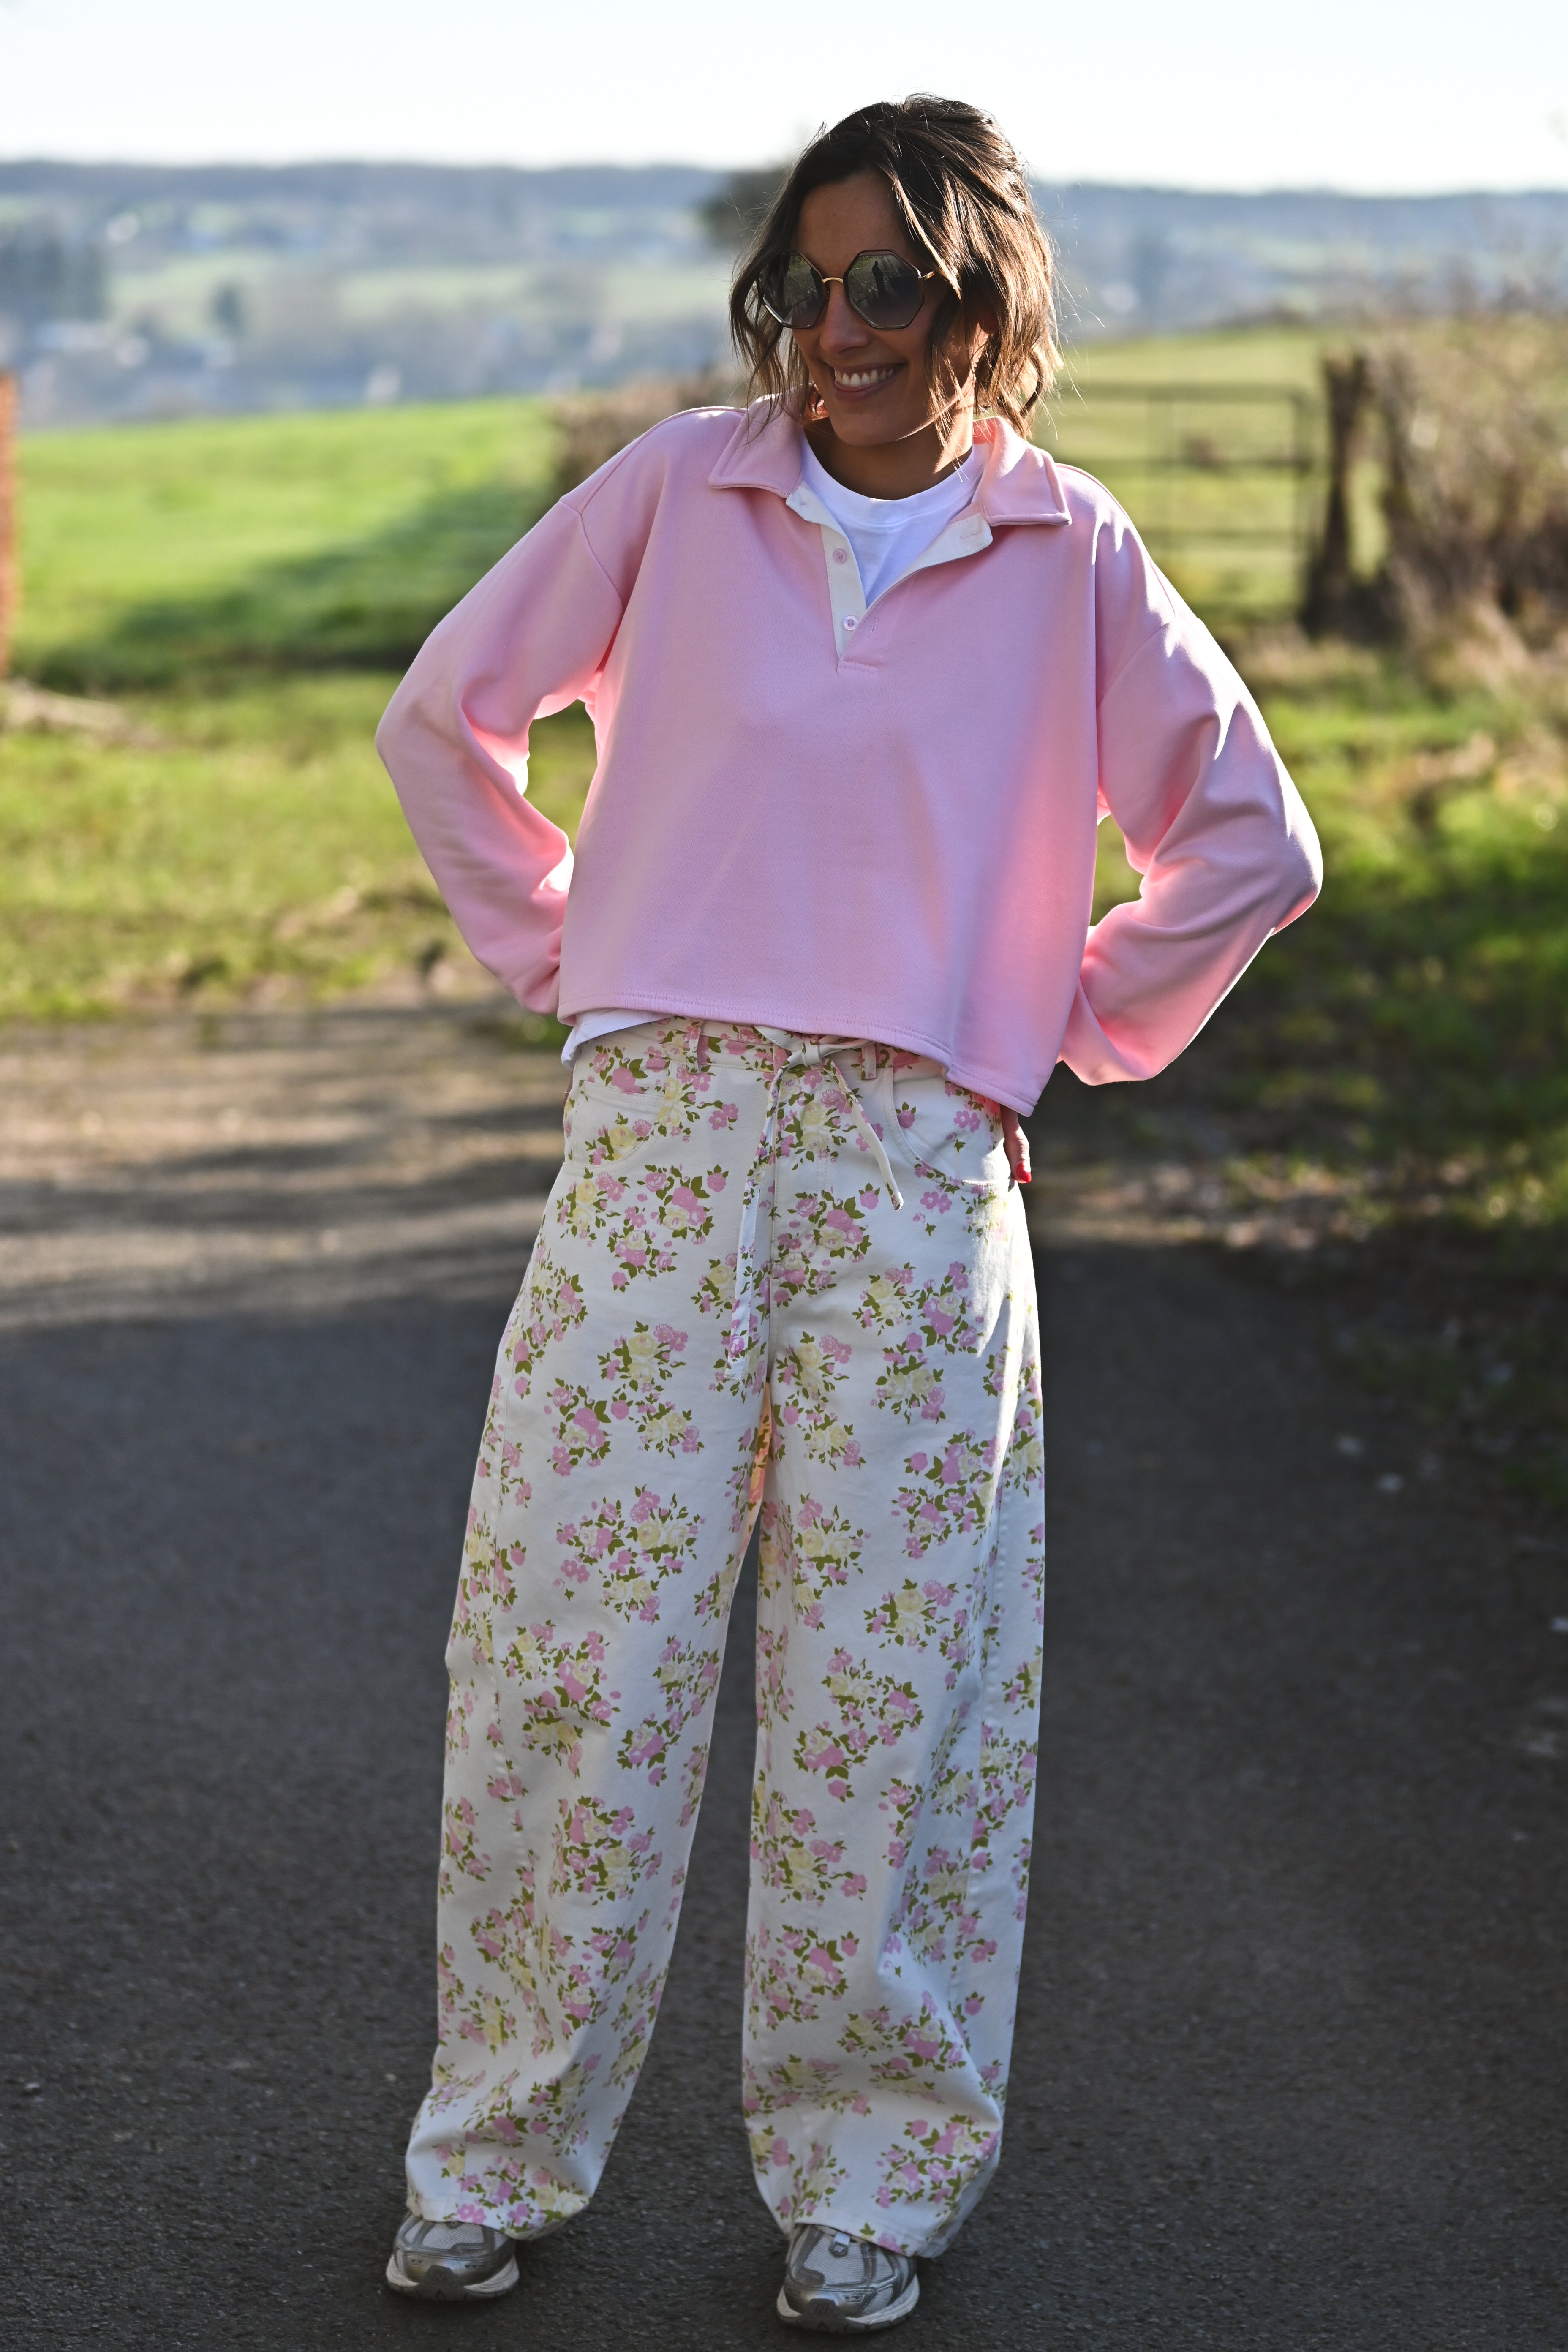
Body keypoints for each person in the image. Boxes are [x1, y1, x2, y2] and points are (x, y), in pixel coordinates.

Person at [374, 95, 1321, 2331]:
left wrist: (1044, 1026)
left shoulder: (1072, 557)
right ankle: (490, 2158)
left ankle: (867, 2189)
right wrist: (574, 961)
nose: (840, 329)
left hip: (915, 1167)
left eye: (886, 281)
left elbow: (1252, 846)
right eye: (805, 286)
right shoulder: (673, 496)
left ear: (983, 295)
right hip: (664, 1146)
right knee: (569, 1660)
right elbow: (445, 721)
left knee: (895, 1692)